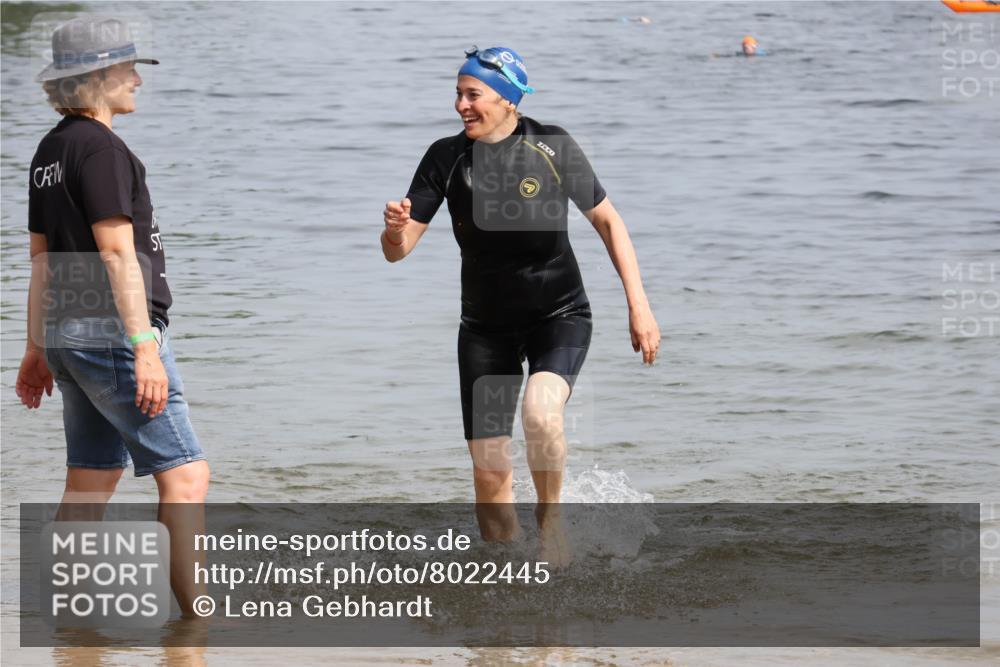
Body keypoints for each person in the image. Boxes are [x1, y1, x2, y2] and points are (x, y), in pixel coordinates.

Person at [381, 47, 660, 549]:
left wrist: (639, 307)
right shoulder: (445, 157)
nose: (461, 105)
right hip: (486, 331)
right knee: (489, 477)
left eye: (473, 95)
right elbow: (397, 254)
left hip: (559, 316)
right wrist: (394, 230)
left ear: (509, 100)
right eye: (458, 94)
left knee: (540, 412)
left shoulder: (551, 146)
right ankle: (504, 590)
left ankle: (551, 521)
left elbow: (608, 221)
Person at [15, 16, 209, 615]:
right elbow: (117, 251)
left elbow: (42, 262)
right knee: (186, 476)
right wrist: (143, 345)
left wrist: (39, 346)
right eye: (128, 70)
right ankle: (197, 624)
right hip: (114, 332)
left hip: (70, 334)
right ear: (96, 78)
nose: (136, 82)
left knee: (90, 478)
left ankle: (67, 622)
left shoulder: (50, 150)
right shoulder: (102, 149)